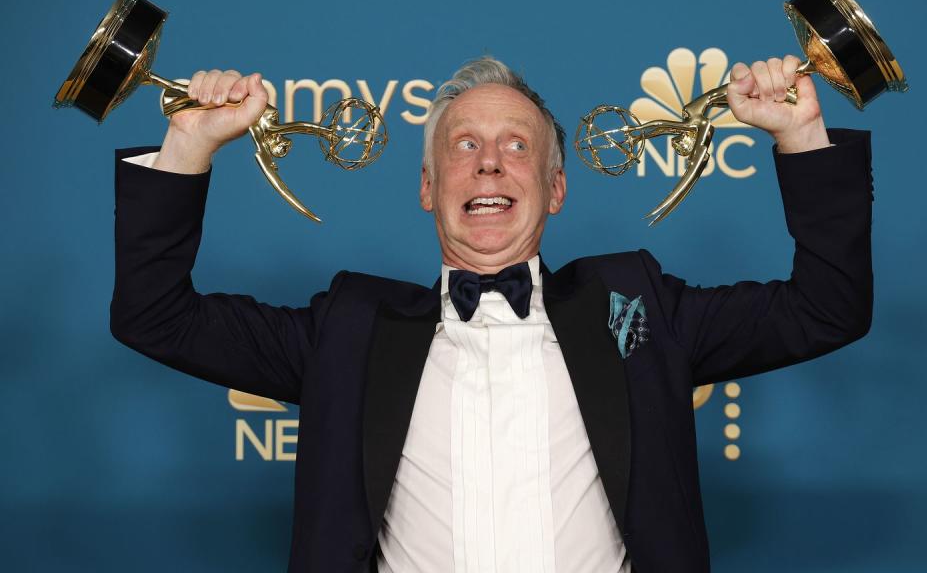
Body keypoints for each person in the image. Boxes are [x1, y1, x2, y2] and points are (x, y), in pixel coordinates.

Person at [111, 55, 873, 572]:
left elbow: (828, 307)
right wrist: (190, 144)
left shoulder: (637, 304)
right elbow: (155, 315)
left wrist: (799, 133)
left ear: (556, 186)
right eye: (464, 144)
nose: (488, 162)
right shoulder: (349, 328)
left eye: (516, 146)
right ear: (426, 185)